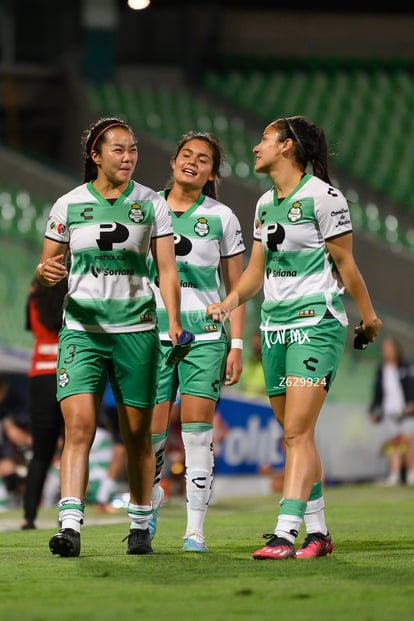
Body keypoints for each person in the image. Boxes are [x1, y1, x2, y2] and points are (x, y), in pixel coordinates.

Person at [207, 115, 382, 560]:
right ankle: (319, 534)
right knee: (294, 433)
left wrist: (369, 317)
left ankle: (286, 531)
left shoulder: (325, 198)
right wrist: (229, 304)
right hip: (274, 328)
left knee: (297, 433)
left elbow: (347, 265)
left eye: (265, 139)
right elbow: (254, 273)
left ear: (287, 147)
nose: (255, 147)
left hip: (315, 324)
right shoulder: (265, 204)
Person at [35, 116, 183, 557]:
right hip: (82, 332)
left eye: (133, 149)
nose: (128, 157)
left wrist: (173, 320)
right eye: (118, 149)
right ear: (95, 156)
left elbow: (168, 271)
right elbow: (47, 270)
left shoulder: (152, 204)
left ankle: (140, 523)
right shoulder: (68, 205)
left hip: (136, 332)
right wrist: (45, 273)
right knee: (78, 427)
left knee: (136, 435)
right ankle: (70, 526)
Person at [147, 131, 246, 552]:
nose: (193, 162)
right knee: (149, 435)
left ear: (211, 173)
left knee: (196, 434)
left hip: (204, 337)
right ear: (172, 162)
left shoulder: (222, 217)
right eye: (186, 155)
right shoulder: (144, 207)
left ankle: (194, 531)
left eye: (203, 159)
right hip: (150, 334)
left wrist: (237, 344)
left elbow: (236, 288)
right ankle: (147, 505)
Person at [21, 278, 67, 530]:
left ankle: (29, 517)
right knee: (72, 448)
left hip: (40, 376)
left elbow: (31, 326)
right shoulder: (73, 292)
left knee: (40, 453)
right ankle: (68, 514)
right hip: (69, 370)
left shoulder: (33, 297)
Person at [369, 336, 414, 486]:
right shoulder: (381, 370)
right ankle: (394, 475)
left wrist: (410, 403)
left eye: (390, 349)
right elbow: (377, 392)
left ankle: (410, 474)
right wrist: (374, 410)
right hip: (389, 412)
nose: (387, 352)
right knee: (394, 444)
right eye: (385, 350)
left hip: (406, 412)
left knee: (406, 441)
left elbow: (411, 386)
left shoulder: (406, 367)